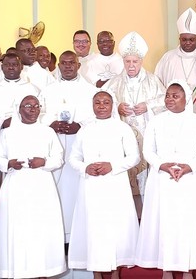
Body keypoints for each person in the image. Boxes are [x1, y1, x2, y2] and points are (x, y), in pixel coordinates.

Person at [136, 81, 196, 279]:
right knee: (166, 223)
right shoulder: (156, 121)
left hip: (191, 179)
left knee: (187, 223)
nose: (170, 99)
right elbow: (148, 150)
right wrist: (163, 166)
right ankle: (167, 270)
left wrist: (188, 167)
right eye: (168, 96)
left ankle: (188, 269)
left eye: (175, 96)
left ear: (186, 98)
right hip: (163, 179)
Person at [68, 90, 140, 279]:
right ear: (92, 106)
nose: (101, 106)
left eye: (106, 102)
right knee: (94, 229)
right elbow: (73, 158)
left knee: (114, 228)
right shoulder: (85, 129)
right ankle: (96, 274)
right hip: (91, 187)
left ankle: (115, 273)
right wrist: (86, 167)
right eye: (97, 102)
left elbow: (134, 157)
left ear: (112, 105)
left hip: (115, 185)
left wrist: (113, 166)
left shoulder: (123, 128)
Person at [0, 95, 66, 278]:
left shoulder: (47, 132)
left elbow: (58, 158)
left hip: (41, 187)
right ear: (19, 109)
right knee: (17, 231)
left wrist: (44, 161)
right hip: (15, 187)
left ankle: (42, 272)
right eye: (28, 106)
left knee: (40, 231)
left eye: (36, 106)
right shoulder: (8, 133)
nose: (33, 109)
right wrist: (9, 163)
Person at [39, 51, 98, 243]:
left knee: (76, 190)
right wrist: (52, 123)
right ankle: (58, 237)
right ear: (59, 66)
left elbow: (98, 116)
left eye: (71, 63)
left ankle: (78, 237)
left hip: (79, 148)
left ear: (79, 65)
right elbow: (38, 114)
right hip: (55, 144)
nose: (67, 66)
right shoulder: (49, 90)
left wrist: (80, 125)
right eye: (63, 63)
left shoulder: (90, 91)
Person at [104, 32, 165, 217]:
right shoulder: (113, 83)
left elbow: (165, 101)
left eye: (135, 62)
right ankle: (126, 217)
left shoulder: (153, 80)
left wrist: (148, 106)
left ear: (141, 61)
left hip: (146, 136)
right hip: (122, 141)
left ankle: (146, 217)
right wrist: (117, 108)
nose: (131, 66)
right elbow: (101, 104)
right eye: (127, 62)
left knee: (145, 177)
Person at [154, 8, 196, 118]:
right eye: (184, 39)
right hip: (173, 109)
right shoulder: (168, 58)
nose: (187, 42)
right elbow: (157, 82)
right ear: (179, 39)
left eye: (191, 39)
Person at [0, 53, 39, 140]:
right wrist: (1, 123)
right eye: (7, 64)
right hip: (1, 136)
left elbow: (40, 113)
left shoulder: (32, 89)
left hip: (27, 134)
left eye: (15, 64)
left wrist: (22, 121)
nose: (11, 67)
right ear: (2, 67)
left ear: (21, 67)